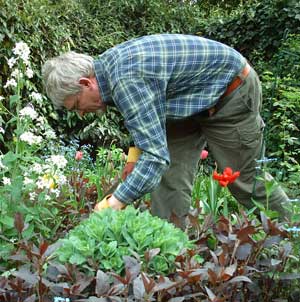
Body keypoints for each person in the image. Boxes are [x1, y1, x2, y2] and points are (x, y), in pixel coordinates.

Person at [42, 34, 289, 228]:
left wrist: (114, 203)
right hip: (186, 103)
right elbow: (142, 117)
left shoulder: (126, 78)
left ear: (86, 84)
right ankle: (172, 252)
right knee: (168, 177)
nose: (81, 114)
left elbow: (155, 158)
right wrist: (133, 158)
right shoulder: (107, 71)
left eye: (76, 106)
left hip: (230, 91)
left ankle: (291, 235)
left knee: (244, 180)